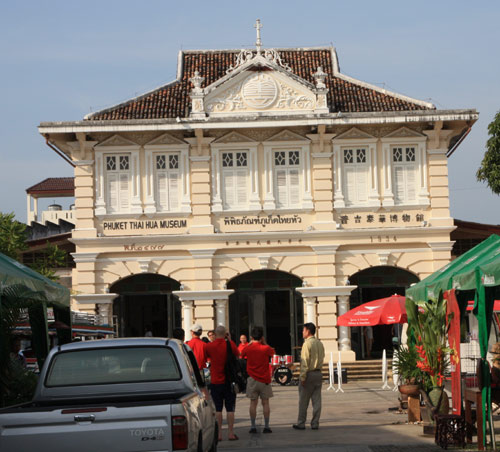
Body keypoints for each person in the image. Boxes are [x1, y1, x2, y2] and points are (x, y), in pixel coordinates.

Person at [205, 325, 239, 441]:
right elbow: (237, 354)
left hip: (215, 381)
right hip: (228, 381)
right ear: (225, 334)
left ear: (215, 334)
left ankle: (219, 434)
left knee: (218, 409)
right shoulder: (230, 345)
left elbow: (206, 357)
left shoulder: (209, 346)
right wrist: (229, 340)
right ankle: (230, 433)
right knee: (230, 409)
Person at [241, 326, 275, 434]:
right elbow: (273, 352)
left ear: (251, 337)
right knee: (265, 403)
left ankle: (253, 426)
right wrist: (264, 343)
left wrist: (250, 343)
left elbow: (242, 355)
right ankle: (266, 426)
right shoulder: (265, 348)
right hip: (264, 379)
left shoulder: (248, 348)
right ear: (262, 337)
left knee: (253, 403)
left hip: (252, 379)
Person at [293, 322, 325, 431]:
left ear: (308, 331)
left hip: (309, 374)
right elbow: (322, 358)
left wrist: (302, 377)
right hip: (318, 373)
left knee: (303, 400)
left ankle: (301, 423)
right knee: (317, 400)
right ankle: (315, 423)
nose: (302, 332)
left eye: (303, 330)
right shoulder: (319, 343)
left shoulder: (307, 344)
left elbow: (304, 361)